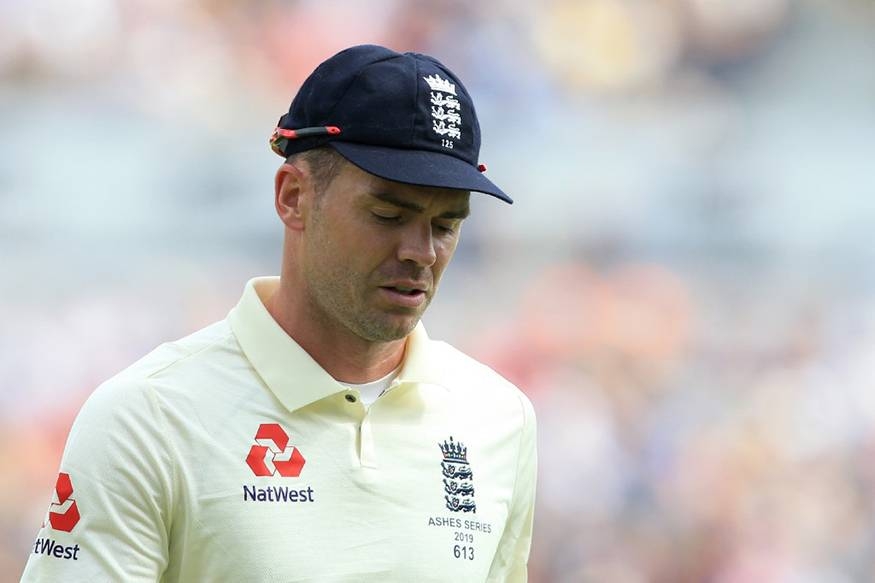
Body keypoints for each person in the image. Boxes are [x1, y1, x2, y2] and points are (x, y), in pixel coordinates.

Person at [20, 44, 537, 582]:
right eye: (388, 213)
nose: (422, 251)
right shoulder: (146, 417)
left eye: (447, 225)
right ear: (293, 197)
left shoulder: (500, 418)